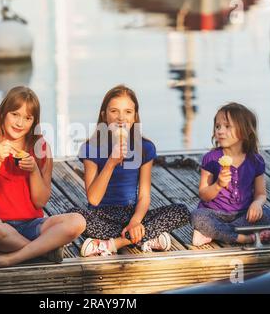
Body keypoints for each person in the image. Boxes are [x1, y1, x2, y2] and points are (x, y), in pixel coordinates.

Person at [0, 86, 86, 273]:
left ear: (34, 121)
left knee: (77, 221)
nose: (20, 123)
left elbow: (40, 201)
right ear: (2, 114)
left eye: (28, 118)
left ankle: (10, 259)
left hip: (32, 225)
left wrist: (34, 170)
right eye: (15, 114)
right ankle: (43, 252)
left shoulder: (41, 147)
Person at [69, 85, 190, 256]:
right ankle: (148, 237)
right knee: (73, 216)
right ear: (104, 115)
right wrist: (111, 163)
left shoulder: (145, 148)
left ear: (135, 117)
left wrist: (135, 221)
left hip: (131, 213)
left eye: (127, 112)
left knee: (181, 211)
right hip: (101, 215)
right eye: (114, 111)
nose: (121, 118)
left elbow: (144, 196)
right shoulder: (90, 148)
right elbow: (94, 199)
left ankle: (112, 244)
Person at [191, 102, 270, 246]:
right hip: (213, 213)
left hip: (243, 214)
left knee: (267, 214)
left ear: (245, 131)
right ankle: (243, 237)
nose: (220, 131)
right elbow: (204, 194)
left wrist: (257, 204)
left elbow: (261, 193)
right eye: (218, 126)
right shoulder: (210, 159)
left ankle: (216, 233)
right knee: (197, 217)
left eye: (227, 126)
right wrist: (218, 185)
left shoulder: (255, 160)